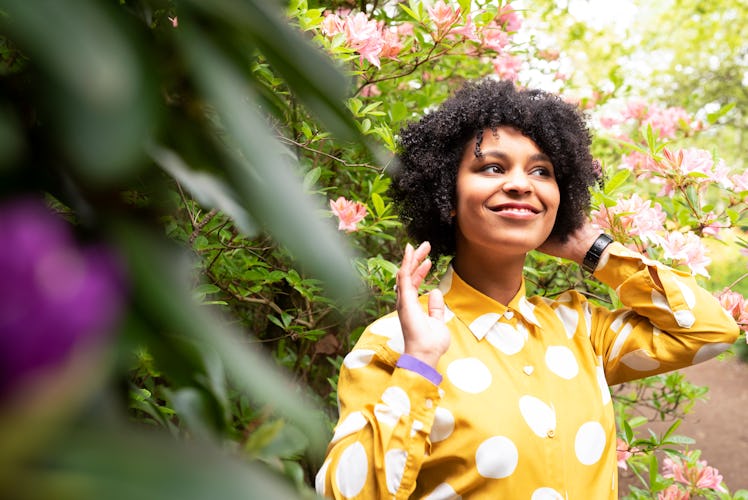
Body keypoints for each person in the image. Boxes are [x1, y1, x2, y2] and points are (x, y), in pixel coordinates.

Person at [315, 79, 739, 499]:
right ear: (446, 194)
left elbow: (709, 330)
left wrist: (592, 249)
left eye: (541, 172)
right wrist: (420, 364)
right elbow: (347, 494)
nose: (522, 184)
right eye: (493, 168)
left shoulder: (583, 329)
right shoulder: (397, 343)